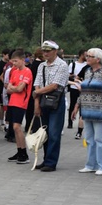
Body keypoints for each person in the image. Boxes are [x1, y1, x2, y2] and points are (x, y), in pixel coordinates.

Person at [72, 48, 102, 176]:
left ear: (98, 59)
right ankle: (90, 165)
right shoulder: (87, 71)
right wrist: (77, 105)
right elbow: (84, 90)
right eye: (87, 55)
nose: (87, 58)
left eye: (90, 56)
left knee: (101, 139)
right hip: (87, 110)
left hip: (100, 110)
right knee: (89, 139)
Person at [32, 40, 69, 172]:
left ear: (55, 51)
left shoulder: (62, 65)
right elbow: (37, 84)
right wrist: (37, 104)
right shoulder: (42, 66)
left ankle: (51, 162)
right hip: (43, 100)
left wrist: (37, 93)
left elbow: (55, 85)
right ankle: (46, 159)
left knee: (54, 132)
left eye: (48, 51)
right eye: (44, 51)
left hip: (56, 101)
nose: (45, 53)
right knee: (46, 132)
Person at [4, 50, 33, 164]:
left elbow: (20, 89)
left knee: (17, 127)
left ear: (22, 60)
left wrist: (14, 88)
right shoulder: (14, 71)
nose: (14, 63)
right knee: (14, 127)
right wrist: (14, 88)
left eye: (16, 61)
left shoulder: (27, 72)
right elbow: (8, 88)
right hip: (12, 102)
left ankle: (24, 153)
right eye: (13, 61)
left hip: (21, 103)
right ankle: (19, 151)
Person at [68, 50, 88, 139]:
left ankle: (80, 129)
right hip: (74, 87)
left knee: (82, 107)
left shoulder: (87, 65)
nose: (87, 57)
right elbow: (69, 75)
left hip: (83, 88)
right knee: (73, 104)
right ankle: (70, 122)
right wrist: (74, 77)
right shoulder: (73, 64)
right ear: (81, 55)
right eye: (86, 55)